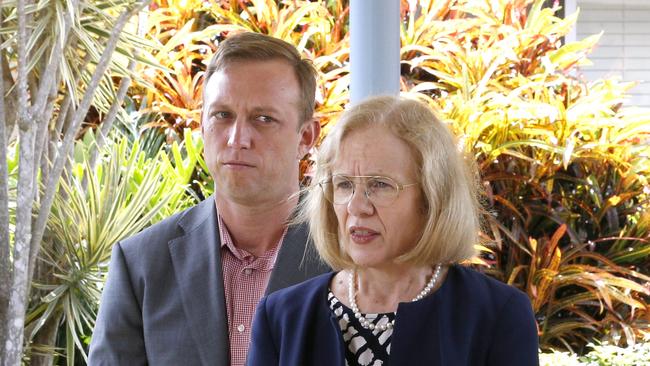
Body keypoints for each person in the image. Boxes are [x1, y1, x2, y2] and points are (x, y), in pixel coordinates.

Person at [88, 32, 329, 366]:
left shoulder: (348, 255)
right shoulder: (142, 264)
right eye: (222, 115)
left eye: (263, 119)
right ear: (201, 124)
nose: (238, 138)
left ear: (306, 137)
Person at [247, 95, 539, 365]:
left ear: (431, 198)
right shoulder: (281, 318)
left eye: (380, 185)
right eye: (345, 184)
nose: (357, 207)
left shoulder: (499, 315)